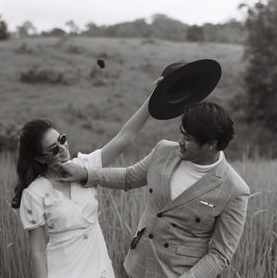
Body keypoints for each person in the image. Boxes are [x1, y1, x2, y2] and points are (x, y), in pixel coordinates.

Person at [58, 101, 250, 278]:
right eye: (182, 133)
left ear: (211, 144)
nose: (180, 142)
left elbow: (220, 254)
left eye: (189, 139)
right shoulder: (164, 151)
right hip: (136, 266)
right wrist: (86, 174)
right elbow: (129, 177)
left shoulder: (234, 189)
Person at [11, 77, 163, 278]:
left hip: (99, 268)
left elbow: (125, 137)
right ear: (40, 158)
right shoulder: (35, 194)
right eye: (53, 149)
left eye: (62, 140)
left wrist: (157, 94)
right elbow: (37, 251)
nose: (63, 148)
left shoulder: (85, 166)